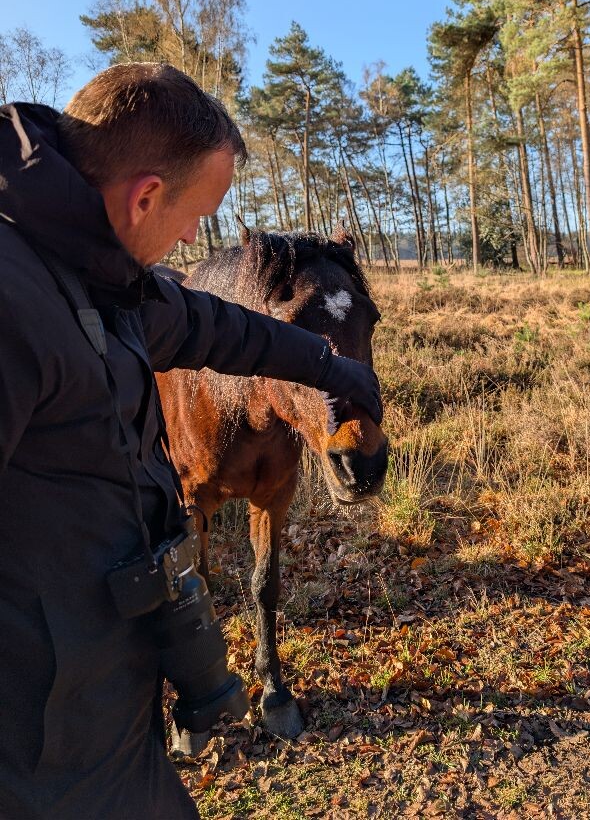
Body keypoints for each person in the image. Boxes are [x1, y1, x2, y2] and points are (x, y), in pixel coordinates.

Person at [0, 63, 383, 820]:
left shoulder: (100, 271)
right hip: (40, 730)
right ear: (145, 195)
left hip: (108, 690)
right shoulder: (14, 300)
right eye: (194, 216)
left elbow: (213, 323)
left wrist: (325, 364)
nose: (192, 237)